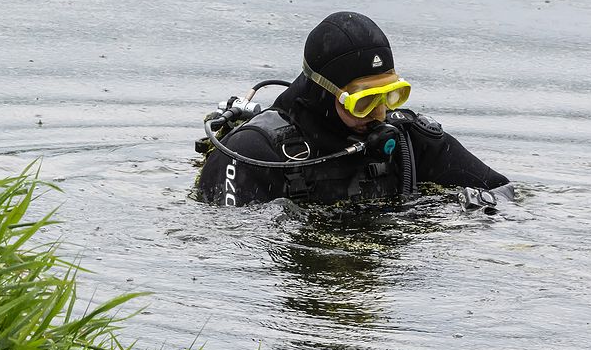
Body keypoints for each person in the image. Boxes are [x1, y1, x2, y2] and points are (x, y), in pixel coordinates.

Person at [195, 11, 509, 208]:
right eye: (364, 102)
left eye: (390, 96)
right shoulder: (253, 153)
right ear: (323, 92)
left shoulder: (407, 140)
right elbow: (223, 240)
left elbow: (502, 191)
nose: (379, 114)